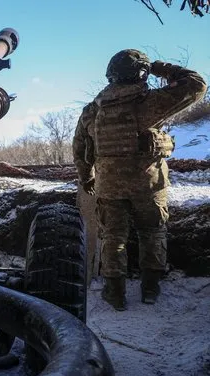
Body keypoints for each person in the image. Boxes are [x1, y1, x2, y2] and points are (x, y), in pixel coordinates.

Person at [72, 49, 207, 311]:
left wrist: (86, 176)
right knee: (152, 232)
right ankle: (150, 289)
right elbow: (196, 84)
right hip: (148, 184)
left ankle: (115, 294)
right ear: (141, 73)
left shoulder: (93, 110)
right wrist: (159, 67)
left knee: (113, 237)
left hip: (108, 185)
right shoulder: (149, 103)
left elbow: (79, 148)